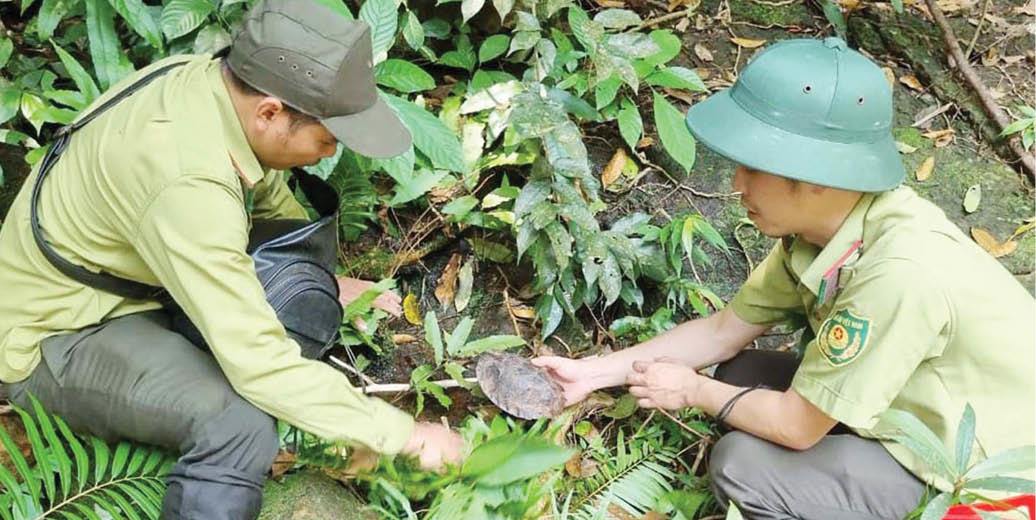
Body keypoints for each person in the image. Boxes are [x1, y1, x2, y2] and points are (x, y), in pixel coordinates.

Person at [534, 37, 1035, 519]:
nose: (737, 184)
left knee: (742, 468)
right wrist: (592, 374)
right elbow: (722, 332)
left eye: (754, 168)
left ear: (817, 175)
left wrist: (692, 391)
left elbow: (797, 427)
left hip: (991, 479)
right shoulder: (827, 229)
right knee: (741, 373)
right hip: (913, 409)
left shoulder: (897, 273)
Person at [0, 2, 462, 518]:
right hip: (59, 330)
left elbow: (264, 190)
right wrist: (402, 436)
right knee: (239, 425)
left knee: (296, 309)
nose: (331, 153)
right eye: (327, 139)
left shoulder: (208, 85)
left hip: (128, 281)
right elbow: (258, 363)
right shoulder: (186, 181)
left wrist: (320, 277)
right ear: (270, 113)